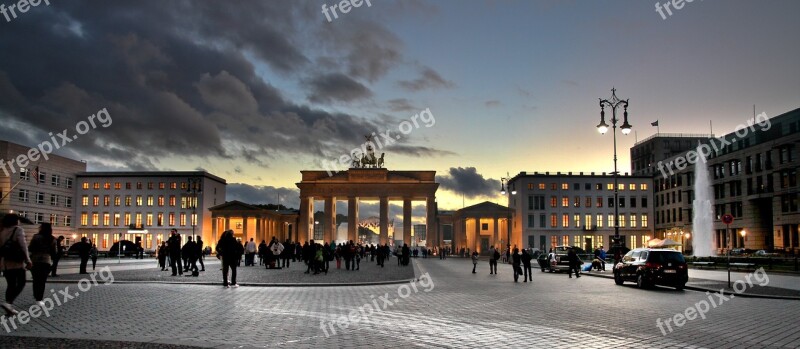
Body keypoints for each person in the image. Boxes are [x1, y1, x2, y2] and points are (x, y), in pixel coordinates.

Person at [1, 214, 32, 316]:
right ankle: (8, 303)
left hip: (5, 263)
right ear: (15, 221)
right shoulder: (18, 230)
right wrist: (28, 260)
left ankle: (9, 308)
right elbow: (23, 246)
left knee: (11, 284)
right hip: (16, 262)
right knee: (21, 282)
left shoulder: (2, 230)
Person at [28, 222, 56, 306]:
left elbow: (30, 248)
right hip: (46, 261)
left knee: (36, 279)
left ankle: (36, 295)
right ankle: (39, 299)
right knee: (42, 281)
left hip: (35, 260)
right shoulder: (52, 239)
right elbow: (54, 252)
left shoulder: (36, 237)